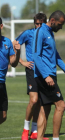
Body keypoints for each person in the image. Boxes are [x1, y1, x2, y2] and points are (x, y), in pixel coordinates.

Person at [13, 13, 49, 140]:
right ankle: (25, 129)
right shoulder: (28, 33)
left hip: (44, 72)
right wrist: (22, 62)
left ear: (45, 23)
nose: (38, 26)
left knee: (40, 102)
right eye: (37, 23)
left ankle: (35, 132)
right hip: (31, 70)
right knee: (33, 100)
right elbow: (14, 44)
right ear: (34, 23)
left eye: (41, 24)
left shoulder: (47, 35)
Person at [32, 10, 65, 140]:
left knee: (45, 109)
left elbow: (56, 57)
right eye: (60, 24)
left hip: (49, 75)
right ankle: (56, 138)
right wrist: (46, 75)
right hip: (44, 76)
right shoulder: (40, 32)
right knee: (61, 105)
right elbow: (36, 55)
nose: (61, 27)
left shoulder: (50, 33)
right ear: (52, 21)